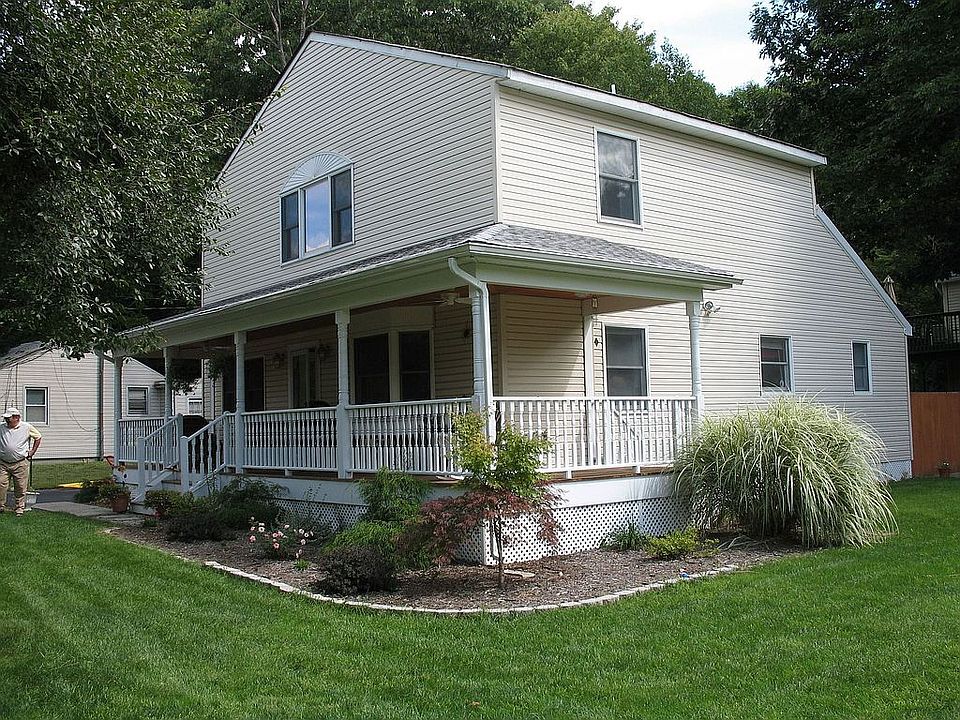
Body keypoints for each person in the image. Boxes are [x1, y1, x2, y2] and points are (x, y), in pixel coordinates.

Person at [0, 407, 42, 516]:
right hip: (3, 462)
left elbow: (38, 437)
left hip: (20, 462)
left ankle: (19, 508)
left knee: (20, 486)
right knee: (1, 484)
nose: (7, 420)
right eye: (6, 418)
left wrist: (32, 451)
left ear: (17, 418)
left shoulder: (26, 427)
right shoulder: (1, 427)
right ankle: (1, 506)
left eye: (9, 418)